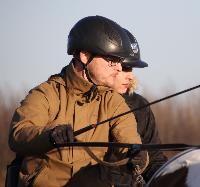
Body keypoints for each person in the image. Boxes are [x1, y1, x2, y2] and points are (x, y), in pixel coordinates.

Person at [8, 16, 148, 187]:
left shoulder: (114, 102)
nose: (119, 67)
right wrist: (49, 134)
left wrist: (138, 156)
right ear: (85, 56)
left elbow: (129, 142)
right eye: (112, 60)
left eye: (119, 61)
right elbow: (18, 135)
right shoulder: (47, 93)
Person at [109, 29, 168, 183]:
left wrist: (167, 178)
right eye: (125, 68)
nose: (131, 75)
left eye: (132, 69)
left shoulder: (140, 105)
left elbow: (155, 158)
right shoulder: (84, 102)